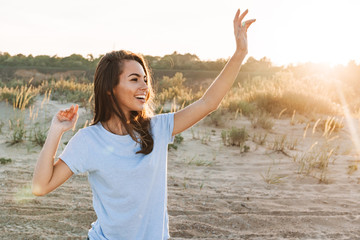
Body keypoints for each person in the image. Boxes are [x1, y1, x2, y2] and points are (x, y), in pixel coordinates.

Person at [32, 9, 255, 240]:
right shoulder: (89, 140)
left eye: (145, 80)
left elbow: (208, 102)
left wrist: (240, 54)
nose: (145, 87)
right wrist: (56, 131)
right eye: (134, 79)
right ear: (110, 88)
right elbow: (40, 187)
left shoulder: (158, 128)